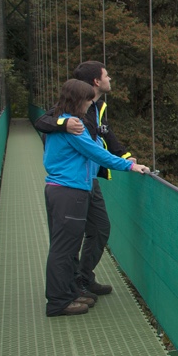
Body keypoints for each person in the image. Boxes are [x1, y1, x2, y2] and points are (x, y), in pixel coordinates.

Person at [43, 79, 150, 316]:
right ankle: (59, 302)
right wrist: (129, 166)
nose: (90, 106)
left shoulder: (63, 123)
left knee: (67, 246)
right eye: (89, 101)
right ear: (79, 101)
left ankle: (69, 293)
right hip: (69, 191)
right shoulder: (74, 127)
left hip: (63, 189)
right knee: (64, 248)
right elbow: (97, 153)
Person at [35, 60, 134, 300]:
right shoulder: (71, 113)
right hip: (71, 184)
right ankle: (66, 293)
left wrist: (128, 157)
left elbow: (104, 136)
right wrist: (63, 123)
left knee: (99, 229)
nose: (110, 79)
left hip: (85, 180)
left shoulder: (96, 107)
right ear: (95, 82)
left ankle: (81, 279)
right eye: (107, 75)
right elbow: (43, 123)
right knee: (68, 242)